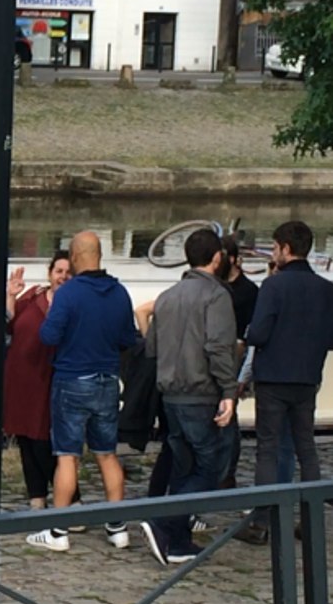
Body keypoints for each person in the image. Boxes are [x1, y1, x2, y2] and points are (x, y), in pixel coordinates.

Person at [27, 230, 137, 552]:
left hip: (72, 379)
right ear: (99, 255)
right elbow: (128, 340)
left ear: (74, 257)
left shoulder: (70, 293)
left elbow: (48, 336)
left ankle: (58, 532)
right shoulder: (119, 293)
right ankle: (118, 528)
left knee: (67, 455)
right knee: (107, 453)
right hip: (106, 381)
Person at [137, 229, 236, 566]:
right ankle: (165, 522)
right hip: (200, 392)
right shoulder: (216, 296)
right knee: (211, 466)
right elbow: (218, 347)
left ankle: (178, 542)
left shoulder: (167, 296)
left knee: (182, 465)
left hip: (170, 394)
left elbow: (152, 347)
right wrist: (230, 390)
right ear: (217, 257)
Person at [236, 221, 333, 544]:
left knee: (268, 448)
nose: (273, 253)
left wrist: (250, 334)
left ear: (286, 249)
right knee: (307, 449)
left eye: (275, 247)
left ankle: (262, 521)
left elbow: (259, 333)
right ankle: (310, 520)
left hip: (274, 377)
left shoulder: (274, 287)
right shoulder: (325, 288)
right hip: (307, 378)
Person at [4, 250, 71, 510]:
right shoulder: (32, 298)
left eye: (68, 273)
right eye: (59, 271)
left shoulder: (73, 304)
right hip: (21, 378)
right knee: (25, 439)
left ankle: (68, 497)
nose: (63, 277)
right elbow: (8, 323)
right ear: (50, 273)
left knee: (45, 439)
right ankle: (36, 498)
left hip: (51, 378)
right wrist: (12, 294)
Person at [219, 234, 260, 490]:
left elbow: (249, 336)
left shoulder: (248, 292)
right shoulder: (214, 287)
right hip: (215, 359)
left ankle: (226, 474)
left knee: (229, 420)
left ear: (233, 259)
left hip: (234, 360)